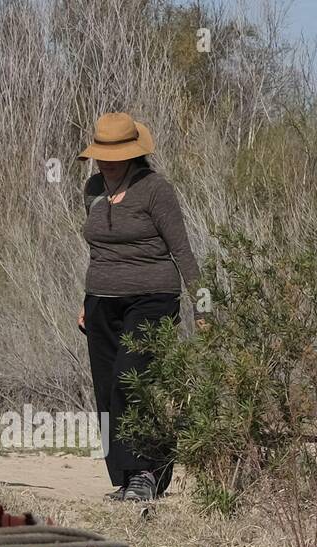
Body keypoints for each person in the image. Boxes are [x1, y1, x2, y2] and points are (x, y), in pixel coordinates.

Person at [77, 112, 199, 502]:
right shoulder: (92, 188)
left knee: (133, 382)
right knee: (107, 390)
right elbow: (98, 250)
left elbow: (182, 249)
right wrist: (87, 300)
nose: (108, 160)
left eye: (117, 152)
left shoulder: (155, 189)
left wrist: (204, 307)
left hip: (153, 299)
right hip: (102, 301)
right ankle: (126, 476)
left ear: (134, 152)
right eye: (102, 152)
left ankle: (149, 471)